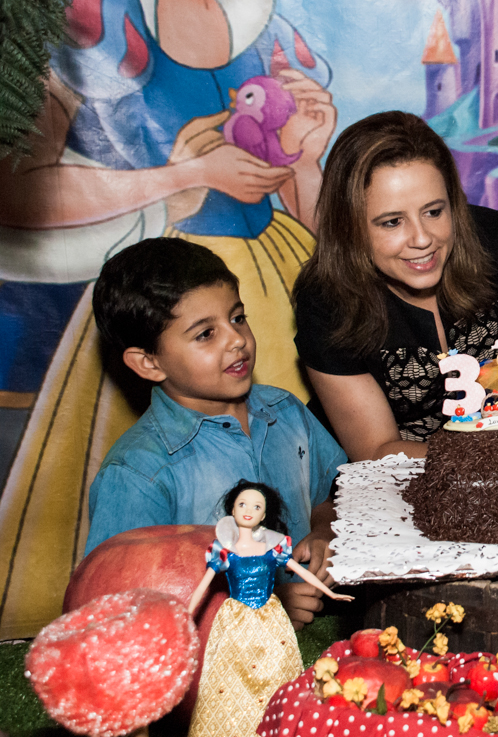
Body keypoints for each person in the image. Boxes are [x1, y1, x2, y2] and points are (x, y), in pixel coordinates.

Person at [0, 0, 334, 638]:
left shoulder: (267, 38)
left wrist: (307, 154)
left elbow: (343, 492)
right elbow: (17, 191)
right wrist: (185, 176)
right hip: (164, 273)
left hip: (268, 268)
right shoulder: (96, 6)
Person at [87, 238, 346, 629]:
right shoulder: (137, 473)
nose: (237, 339)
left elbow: (334, 494)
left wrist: (325, 531)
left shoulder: (286, 412)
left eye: (237, 318)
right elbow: (122, 613)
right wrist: (263, 612)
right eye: (205, 334)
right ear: (148, 362)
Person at [293, 112, 498, 460]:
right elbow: (375, 449)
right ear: (349, 227)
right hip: (397, 483)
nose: (422, 239)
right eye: (392, 222)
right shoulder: (326, 301)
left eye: (434, 212)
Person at [187, 481, 353, 737]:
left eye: (256, 506)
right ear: (233, 509)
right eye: (243, 504)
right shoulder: (223, 551)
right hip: (235, 620)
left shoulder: (272, 548)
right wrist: (185, 615)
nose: (248, 510)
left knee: (277, 671)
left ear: (264, 515)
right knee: (228, 679)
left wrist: (331, 592)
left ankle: (280, 724)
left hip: (269, 617)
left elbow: (300, 571)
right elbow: (204, 586)